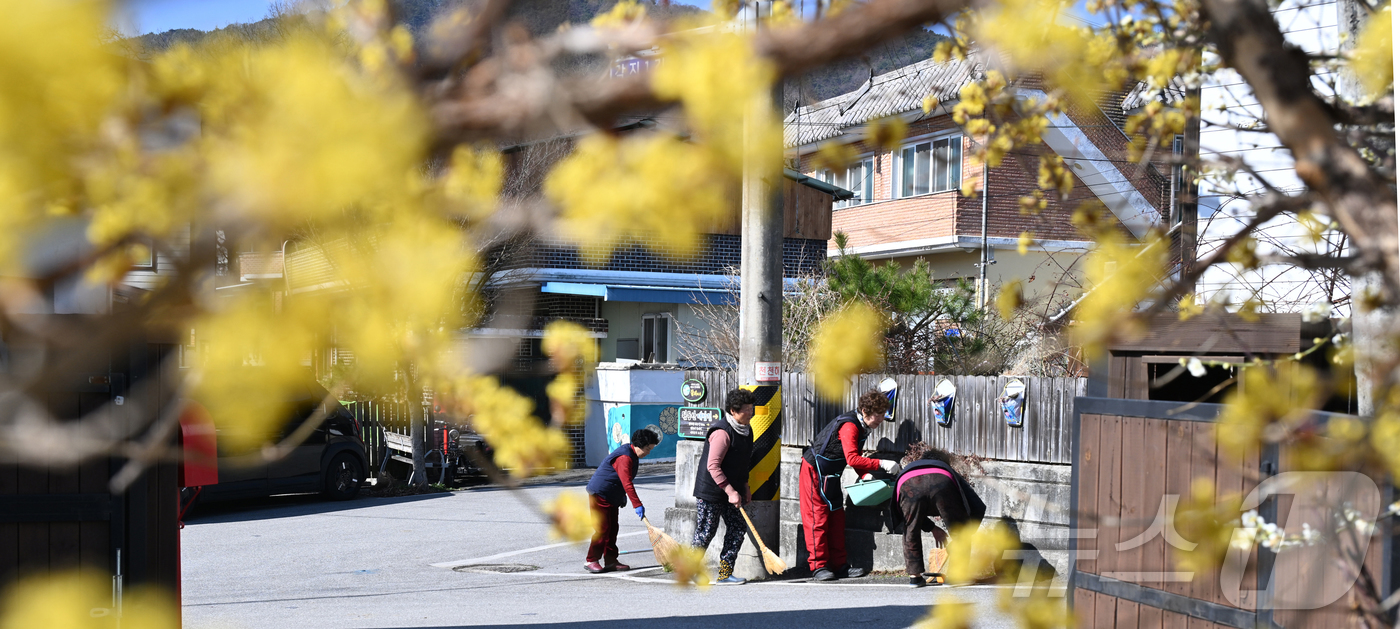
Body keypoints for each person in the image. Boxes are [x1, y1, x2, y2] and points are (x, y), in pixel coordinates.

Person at [800, 389, 900, 581]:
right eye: (878, 415)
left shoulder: (862, 426)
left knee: (837, 518)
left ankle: (840, 566)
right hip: (814, 471)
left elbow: (854, 455)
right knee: (817, 518)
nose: (881, 419)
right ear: (865, 411)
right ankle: (818, 566)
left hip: (831, 475)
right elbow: (852, 459)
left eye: (883, 414)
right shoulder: (850, 426)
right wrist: (881, 464)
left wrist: (865, 474)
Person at [889, 442, 986, 586]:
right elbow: (978, 506)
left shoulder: (910, 468)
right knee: (959, 530)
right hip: (942, 481)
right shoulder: (945, 469)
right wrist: (967, 533)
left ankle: (915, 577)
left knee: (911, 529)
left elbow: (909, 515)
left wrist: (932, 528)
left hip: (908, 482)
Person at [691, 388, 756, 585]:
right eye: (746, 409)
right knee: (706, 532)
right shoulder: (722, 432)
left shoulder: (746, 430)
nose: (750, 413)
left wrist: (744, 487)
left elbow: (743, 462)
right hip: (711, 491)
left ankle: (725, 573)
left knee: (737, 528)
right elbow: (713, 466)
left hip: (734, 489)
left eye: (751, 408)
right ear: (733, 411)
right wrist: (730, 491)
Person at [584, 428, 660, 573]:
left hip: (612, 495)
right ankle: (591, 560)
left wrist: (621, 496)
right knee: (602, 529)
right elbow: (627, 483)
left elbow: (621, 479)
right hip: (600, 493)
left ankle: (611, 560)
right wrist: (637, 505)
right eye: (648, 449)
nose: (648, 452)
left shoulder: (632, 453)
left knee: (613, 528)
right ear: (639, 445)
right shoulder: (625, 457)